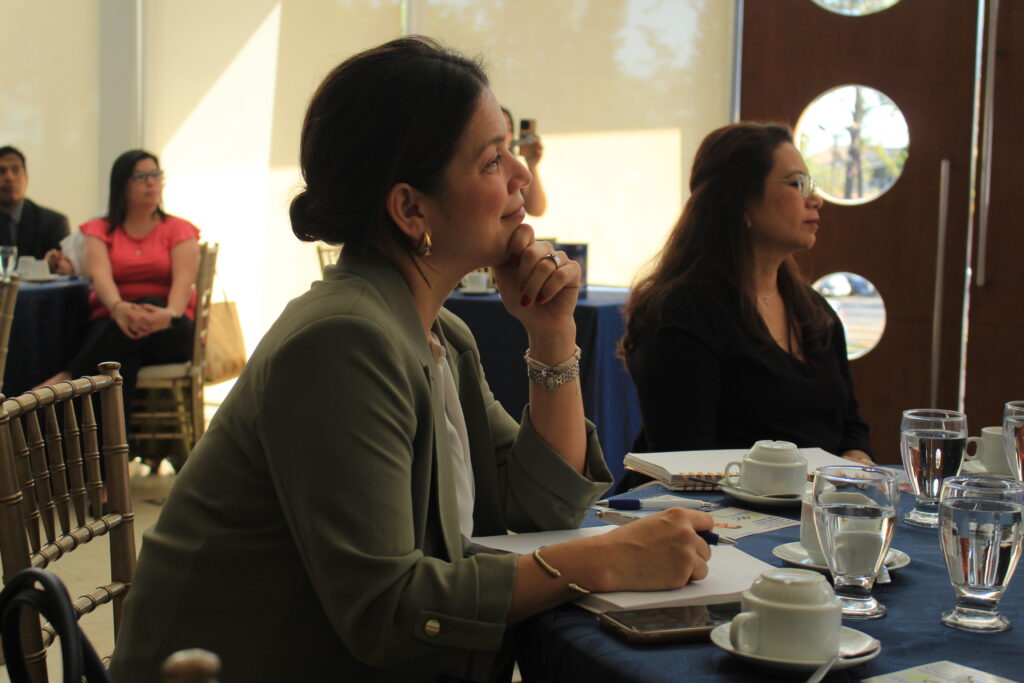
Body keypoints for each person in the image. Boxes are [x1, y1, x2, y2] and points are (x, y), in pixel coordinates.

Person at [110, 38, 713, 682]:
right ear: (409, 208)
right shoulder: (343, 343)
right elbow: (388, 610)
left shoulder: (438, 332)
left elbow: (542, 504)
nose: (521, 175)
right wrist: (603, 560)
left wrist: (551, 334)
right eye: (492, 159)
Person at [618, 122, 872, 491]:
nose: (815, 199)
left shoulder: (814, 310)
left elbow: (850, 424)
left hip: (811, 507)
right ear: (740, 200)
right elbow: (687, 460)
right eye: (797, 184)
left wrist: (856, 463)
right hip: (706, 513)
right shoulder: (682, 312)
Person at [35, 150, 199, 409]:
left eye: (155, 175)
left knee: (147, 305)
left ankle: (69, 376)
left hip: (169, 327)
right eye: (141, 177)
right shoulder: (99, 229)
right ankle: (116, 436)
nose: (151, 182)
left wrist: (167, 315)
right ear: (121, 184)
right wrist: (118, 307)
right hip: (113, 321)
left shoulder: (179, 229)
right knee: (121, 361)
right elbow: (99, 276)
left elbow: (183, 282)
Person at [0, 145, 71, 273]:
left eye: (15, 170)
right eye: (1, 171)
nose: (9, 178)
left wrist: (55, 264)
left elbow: (63, 272)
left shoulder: (53, 223)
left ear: (26, 177)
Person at [501, 106, 547, 216]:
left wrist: (532, 165)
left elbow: (536, 210)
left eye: (508, 128)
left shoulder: (513, 169)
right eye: (499, 126)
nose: (504, 134)